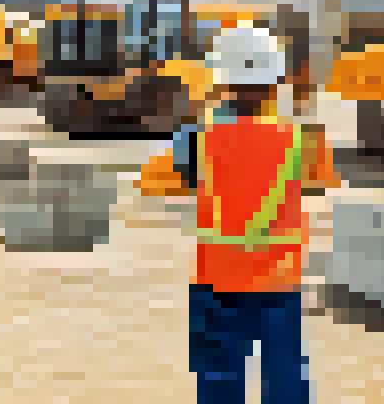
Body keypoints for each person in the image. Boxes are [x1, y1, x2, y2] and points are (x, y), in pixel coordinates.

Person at [136, 24, 338, 404]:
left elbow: (151, 183)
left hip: (217, 282)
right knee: (285, 380)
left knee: (218, 381)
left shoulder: (196, 139)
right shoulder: (304, 139)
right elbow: (320, 182)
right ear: (276, 82)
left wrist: (201, 121)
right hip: (280, 283)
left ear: (220, 82)